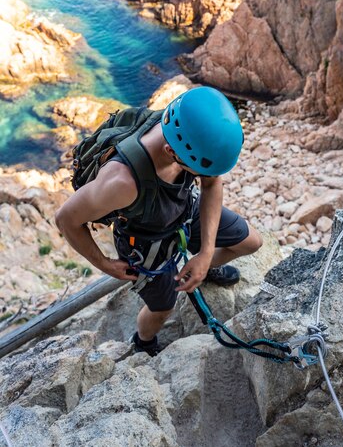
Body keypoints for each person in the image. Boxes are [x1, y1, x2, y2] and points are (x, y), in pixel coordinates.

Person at [55, 86, 262, 356]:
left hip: (184, 210)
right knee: (163, 308)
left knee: (252, 242)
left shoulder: (183, 128)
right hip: (145, 243)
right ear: (171, 152)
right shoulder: (122, 182)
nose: (204, 175)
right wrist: (105, 264)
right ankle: (144, 342)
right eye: (197, 170)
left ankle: (201, 270)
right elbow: (66, 220)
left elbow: (212, 182)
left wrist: (205, 254)